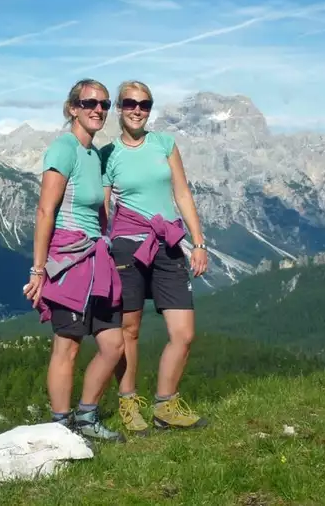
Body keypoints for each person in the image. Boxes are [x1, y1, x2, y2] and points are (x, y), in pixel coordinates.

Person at [100, 80, 209, 435]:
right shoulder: (108, 154)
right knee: (128, 330)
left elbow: (181, 192)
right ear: (119, 107)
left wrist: (199, 241)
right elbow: (102, 206)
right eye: (130, 103)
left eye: (145, 104)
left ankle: (166, 406)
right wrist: (97, 246)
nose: (137, 109)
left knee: (184, 332)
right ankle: (129, 404)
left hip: (169, 243)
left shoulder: (165, 144)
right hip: (126, 247)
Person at [24, 78, 125, 442]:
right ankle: (60, 426)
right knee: (66, 346)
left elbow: (99, 210)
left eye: (105, 104)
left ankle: (86, 417)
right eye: (89, 103)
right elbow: (45, 210)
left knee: (113, 344)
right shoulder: (63, 149)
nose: (98, 109)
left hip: (97, 257)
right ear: (72, 109)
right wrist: (39, 271)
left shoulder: (94, 155)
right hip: (68, 259)